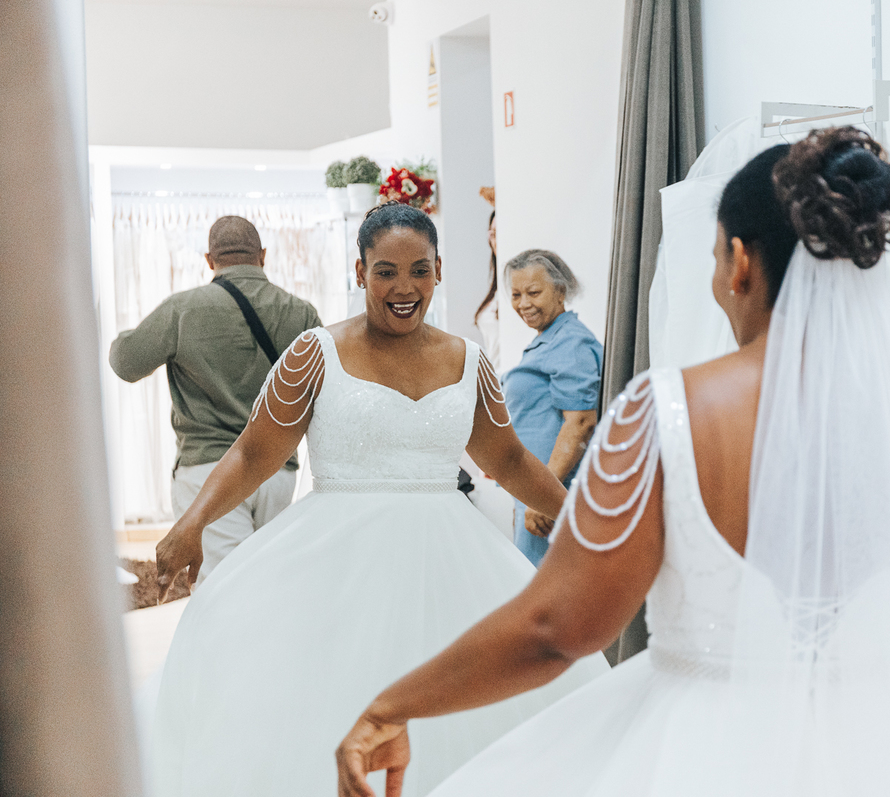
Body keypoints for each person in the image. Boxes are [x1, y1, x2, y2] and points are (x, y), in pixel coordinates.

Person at [336, 130, 890, 797]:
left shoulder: (666, 416)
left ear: (736, 261)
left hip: (693, 753)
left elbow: (560, 629)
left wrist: (395, 703)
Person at [148, 202, 608, 797]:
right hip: (333, 560)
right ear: (359, 270)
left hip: (450, 561)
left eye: (419, 270)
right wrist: (191, 524)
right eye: (386, 270)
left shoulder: (468, 360)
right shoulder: (316, 354)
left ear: (439, 271)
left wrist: (584, 518)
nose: (404, 287)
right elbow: (251, 453)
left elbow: (510, 459)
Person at [110, 216, 320, 584]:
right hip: (277, 470)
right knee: (272, 583)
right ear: (263, 255)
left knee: (222, 591)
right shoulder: (301, 312)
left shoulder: (182, 309)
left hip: (208, 470)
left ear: (210, 259)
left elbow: (125, 363)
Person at [502, 250, 602, 565]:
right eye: (516, 295)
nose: (523, 304)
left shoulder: (571, 342)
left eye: (533, 293)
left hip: (550, 499)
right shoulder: (550, 339)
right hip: (536, 494)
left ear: (560, 290)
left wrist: (543, 496)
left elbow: (582, 421)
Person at [474, 204, 501, 364]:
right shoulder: (497, 287)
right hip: (495, 382)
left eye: (498, 233)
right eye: (492, 234)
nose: (495, 240)